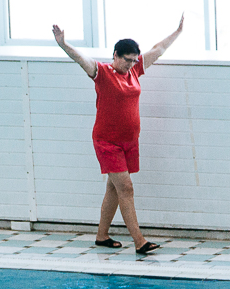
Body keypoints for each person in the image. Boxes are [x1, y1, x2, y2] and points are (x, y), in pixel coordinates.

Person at [52, 17, 184, 255]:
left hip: (129, 142)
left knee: (113, 189)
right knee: (126, 187)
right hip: (107, 142)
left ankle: (102, 236)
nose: (132, 65)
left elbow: (158, 50)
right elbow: (80, 59)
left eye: (134, 61)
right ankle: (139, 241)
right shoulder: (101, 72)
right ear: (115, 55)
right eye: (127, 60)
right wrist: (63, 44)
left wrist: (177, 31)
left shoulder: (134, 71)